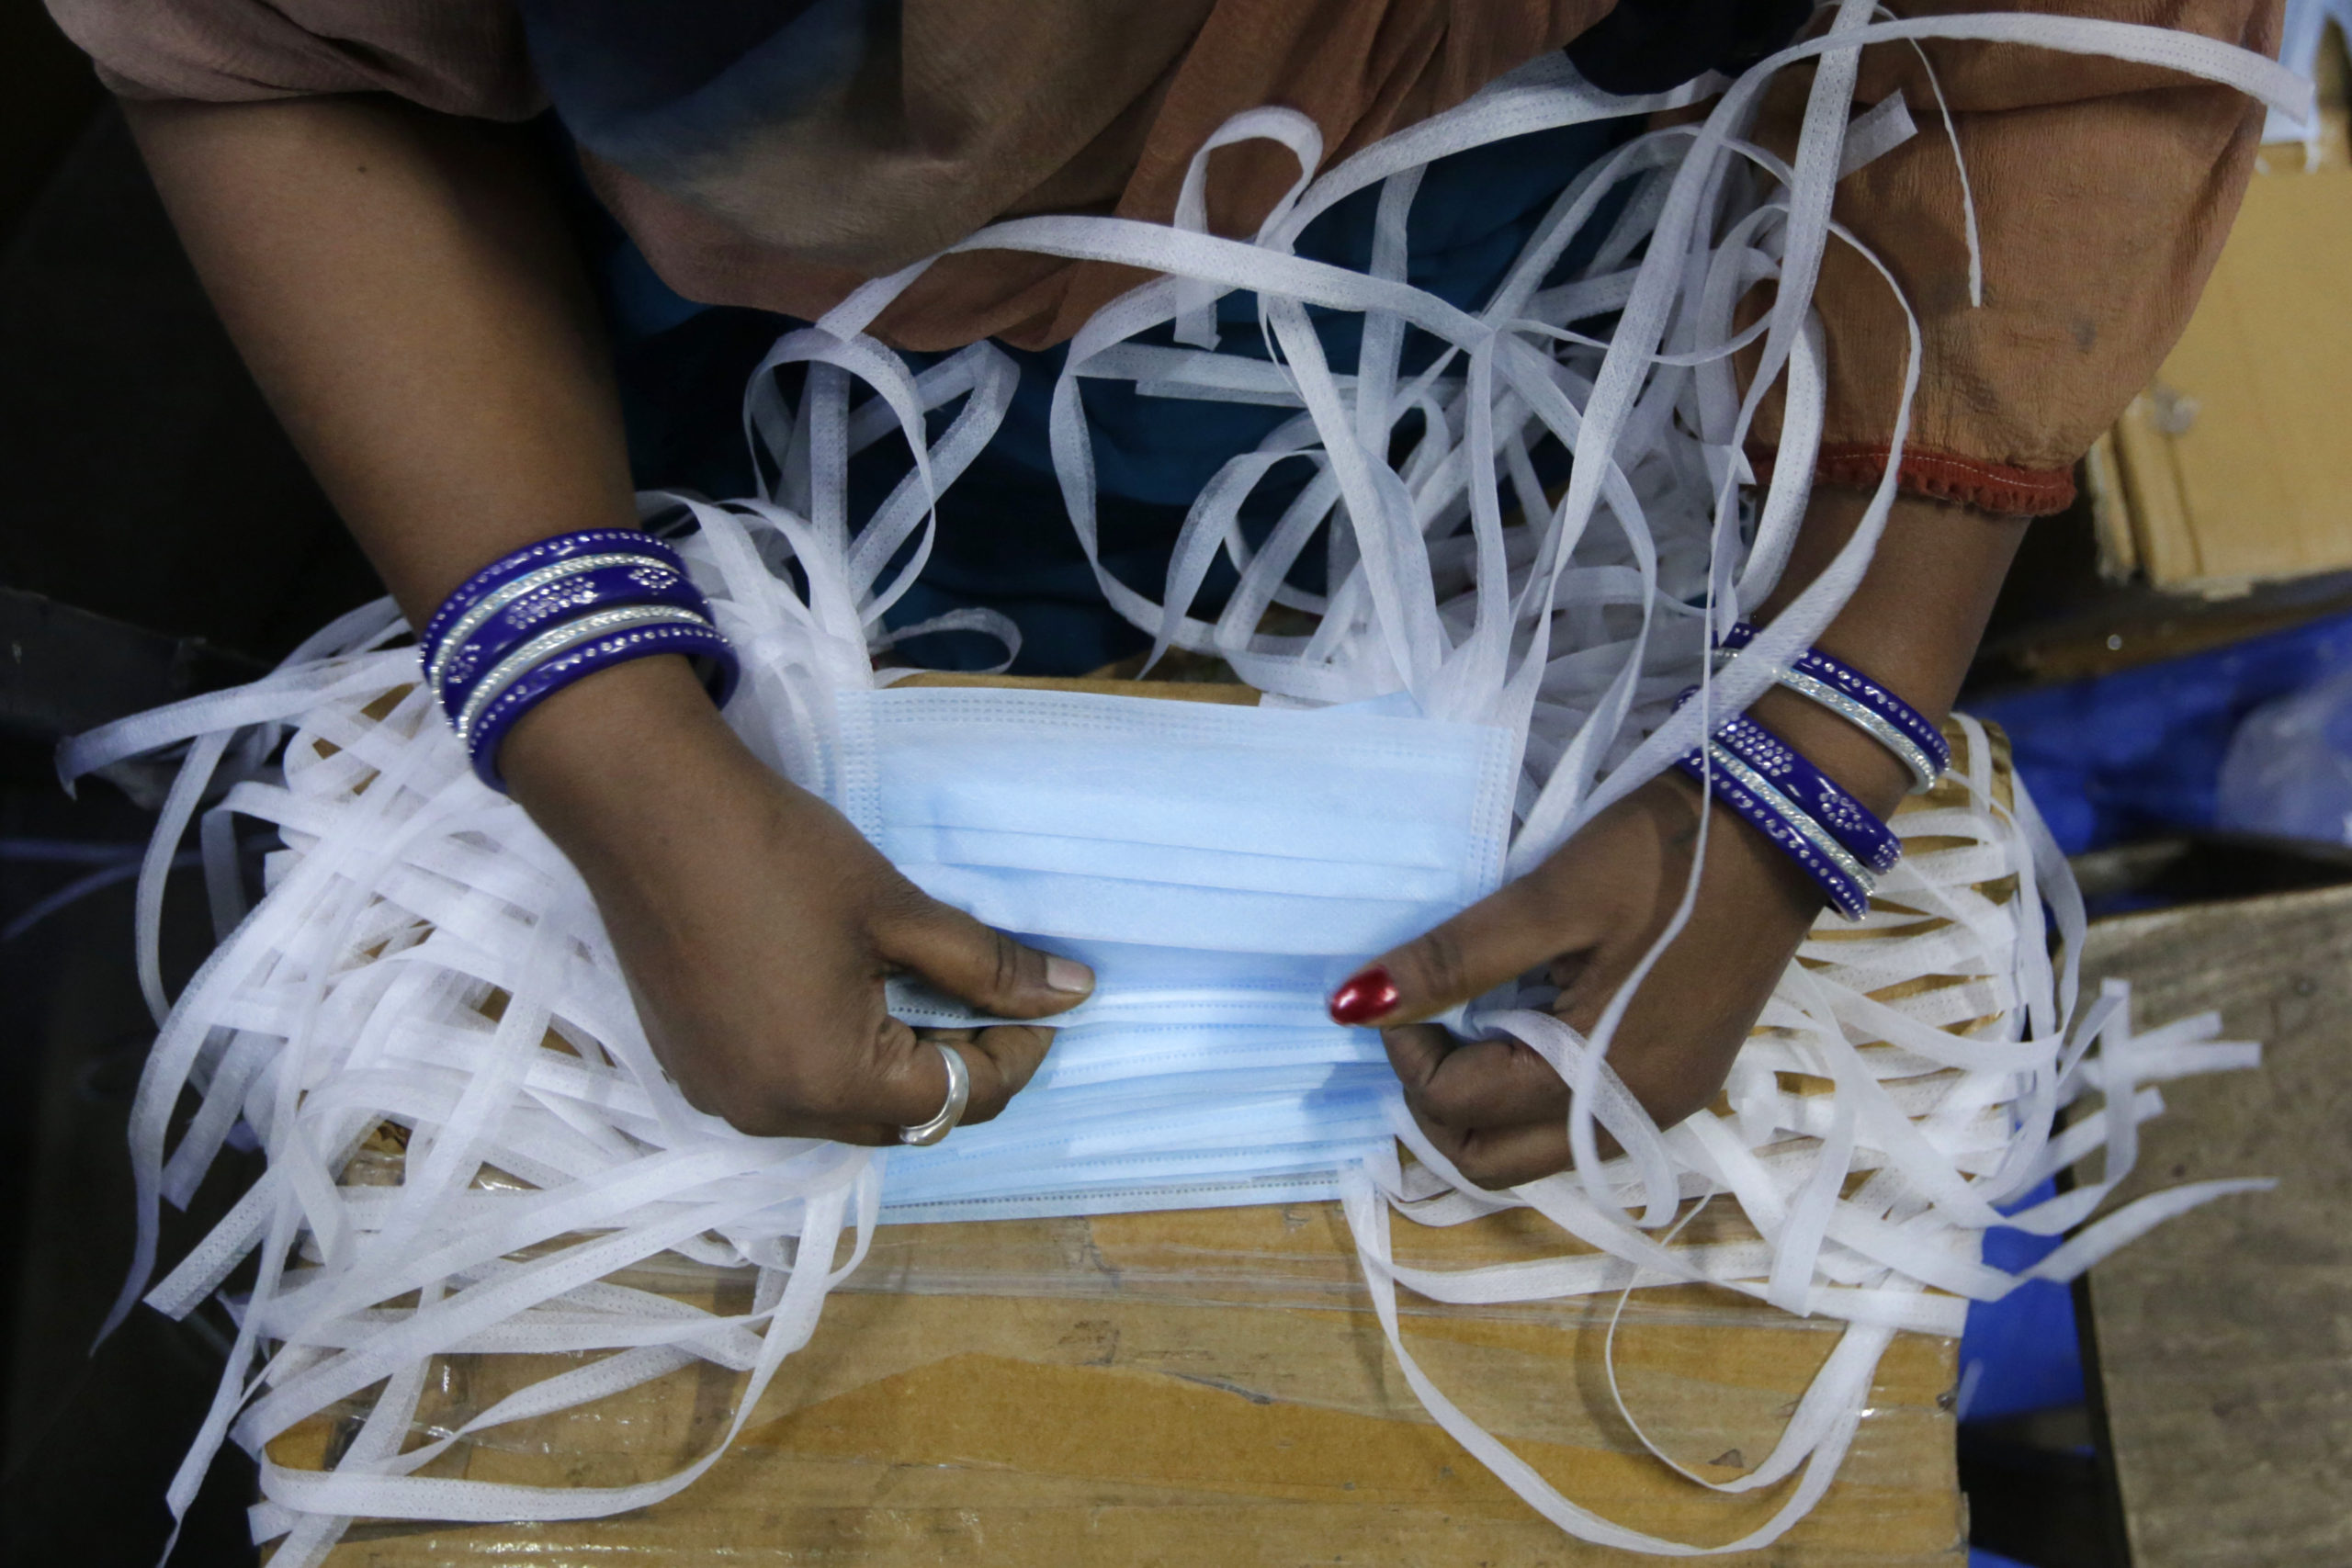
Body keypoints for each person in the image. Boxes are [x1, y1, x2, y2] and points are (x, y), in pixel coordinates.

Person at [48, 0, 2279, 1182]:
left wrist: (1816, 744)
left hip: (1516, 298)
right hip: (679, 392)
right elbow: (260, 59)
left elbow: (2077, 43)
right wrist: (605, 722)